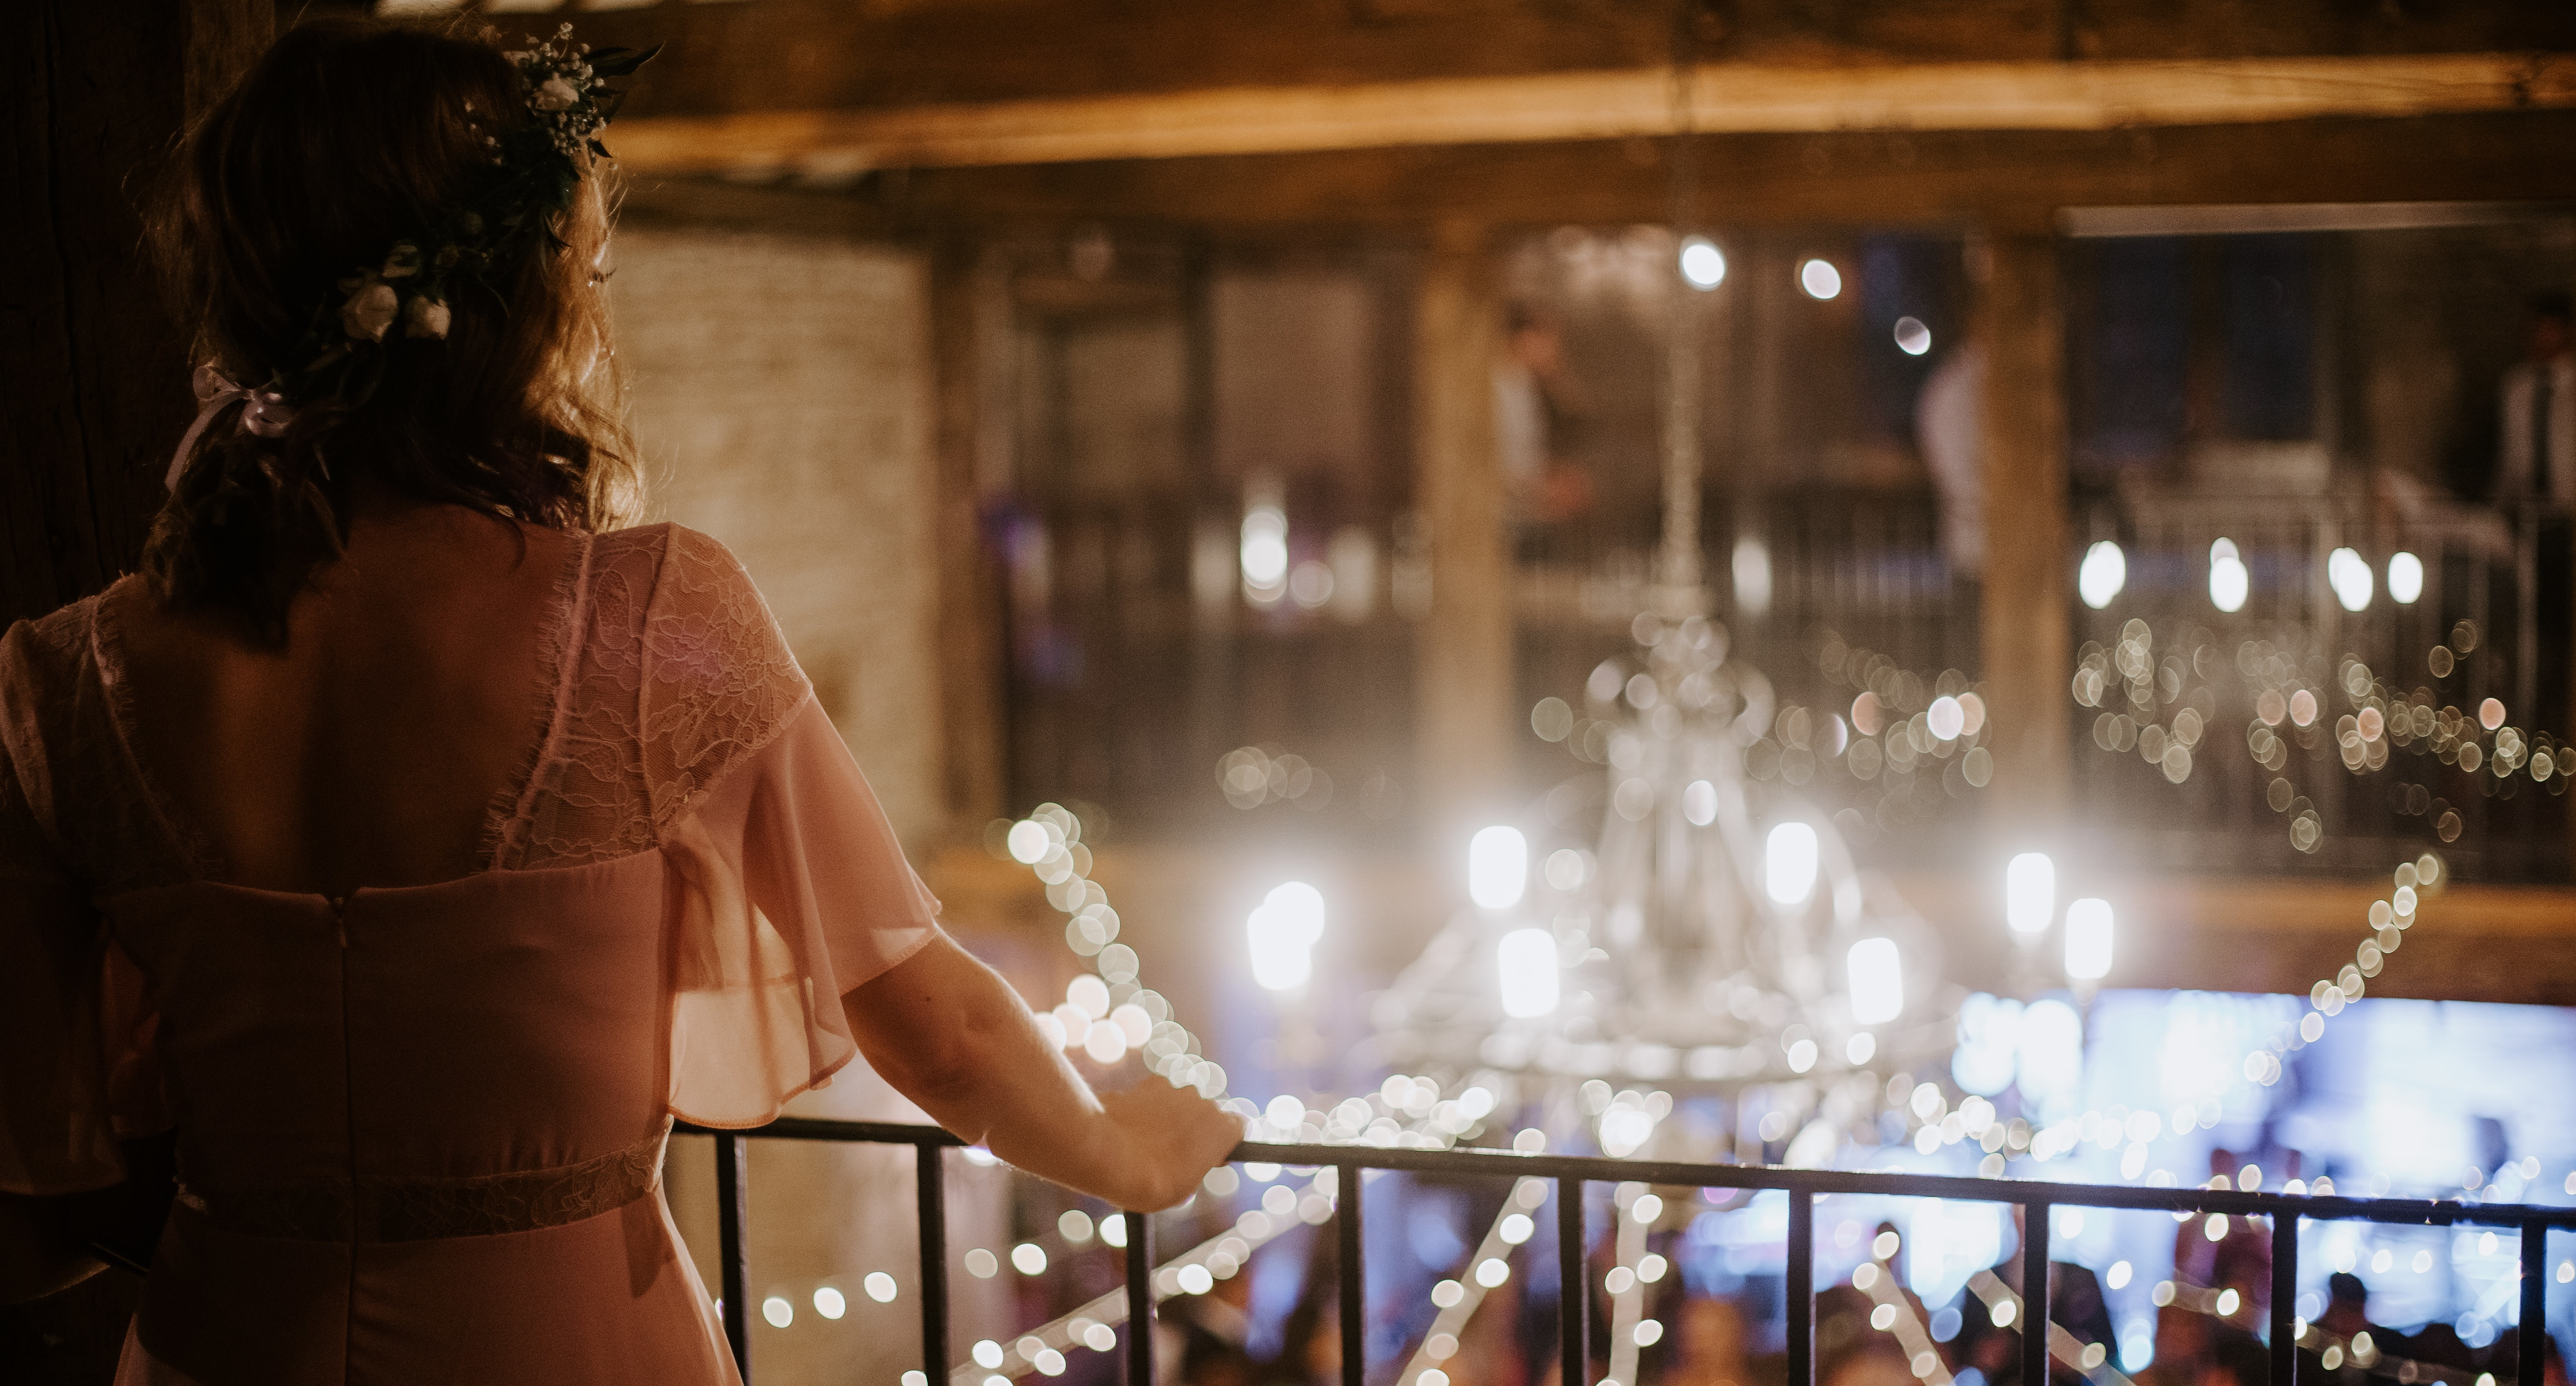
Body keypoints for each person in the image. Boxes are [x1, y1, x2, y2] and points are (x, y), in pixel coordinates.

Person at [0, 19, 1240, 1385]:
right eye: (583, 270)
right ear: (518, 299)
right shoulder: (652, 611)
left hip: (221, 1345)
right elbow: (926, 1017)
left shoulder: (66, 676)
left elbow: (49, 1165)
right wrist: (1124, 1154)